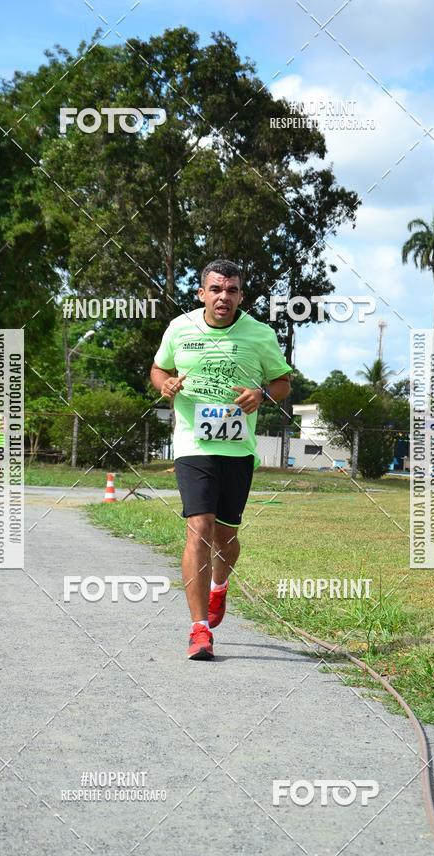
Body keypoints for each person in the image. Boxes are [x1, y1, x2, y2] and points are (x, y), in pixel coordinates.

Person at [150, 259, 292, 659]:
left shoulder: (260, 334)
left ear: (241, 296)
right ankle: (199, 630)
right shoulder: (180, 328)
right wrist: (166, 384)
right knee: (199, 527)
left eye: (231, 290)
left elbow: (282, 382)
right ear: (202, 294)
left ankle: (219, 585)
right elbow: (158, 368)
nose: (223, 297)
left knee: (225, 538)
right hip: (193, 445)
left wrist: (262, 394)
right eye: (215, 289)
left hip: (238, 450)